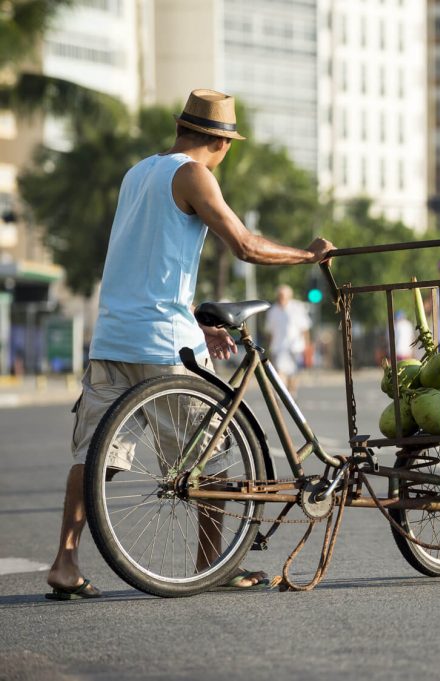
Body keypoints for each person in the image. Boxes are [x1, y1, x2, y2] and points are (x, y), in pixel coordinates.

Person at [45, 89, 335, 600]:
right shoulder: (195, 175)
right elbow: (244, 245)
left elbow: (147, 263)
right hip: (162, 346)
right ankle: (213, 565)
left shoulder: (139, 172)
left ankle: (65, 562)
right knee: (215, 455)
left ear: (182, 127)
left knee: (93, 456)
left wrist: (196, 323)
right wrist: (306, 256)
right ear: (221, 142)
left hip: (114, 337)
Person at [265, 284, 312, 394]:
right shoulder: (272, 311)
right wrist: (269, 347)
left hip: (295, 347)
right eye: (280, 295)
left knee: (293, 374)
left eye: (284, 295)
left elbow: (304, 329)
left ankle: (292, 393)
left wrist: (307, 345)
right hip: (279, 347)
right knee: (280, 372)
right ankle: (283, 394)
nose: (282, 298)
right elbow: (270, 332)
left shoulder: (297, 308)